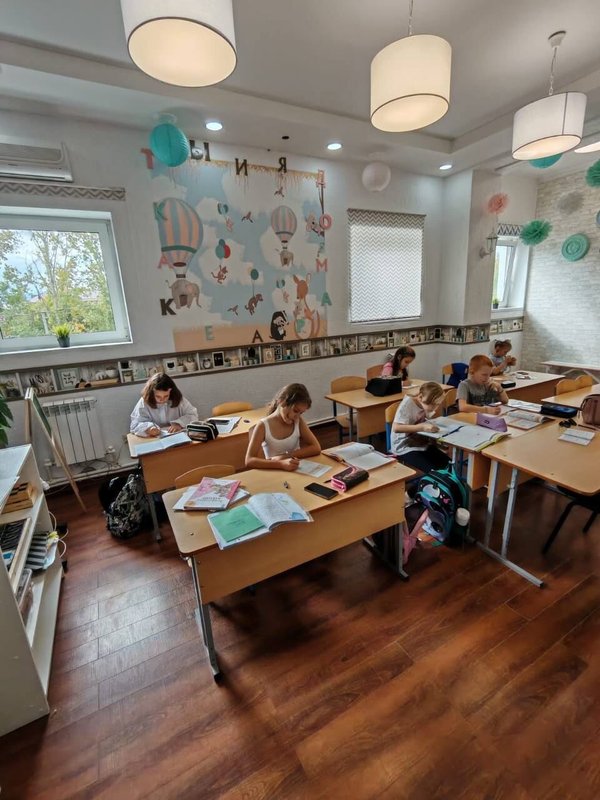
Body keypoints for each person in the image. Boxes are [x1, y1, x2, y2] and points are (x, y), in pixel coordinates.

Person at [245, 383, 321, 471]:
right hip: (274, 471)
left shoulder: (298, 421)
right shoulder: (263, 426)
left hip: (295, 469)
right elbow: (249, 460)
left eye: (301, 413)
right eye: (295, 411)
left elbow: (316, 448)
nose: (297, 417)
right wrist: (281, 464)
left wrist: (285, 457)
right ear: (281, 402)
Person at [390, 381, 449, 473]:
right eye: (433, 404)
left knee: (448, 464)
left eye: (438, 404)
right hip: (403, 446)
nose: (435, 408)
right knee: (434, 471)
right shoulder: (407, 404)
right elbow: (396, 428)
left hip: (420, 442)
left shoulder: (426, 403)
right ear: (420, 397)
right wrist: (422, 427)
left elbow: (428, 422)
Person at [130, 373, 198, 436]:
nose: (162, 399)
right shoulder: (144, 402)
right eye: (158, 396)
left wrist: (179, 424)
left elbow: (192, 415)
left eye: (166, 396)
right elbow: (135, 424)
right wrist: (148, 428)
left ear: (170, 391)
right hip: (154, 439)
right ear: (151, 393)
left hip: (177, 436)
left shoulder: (177, 398)